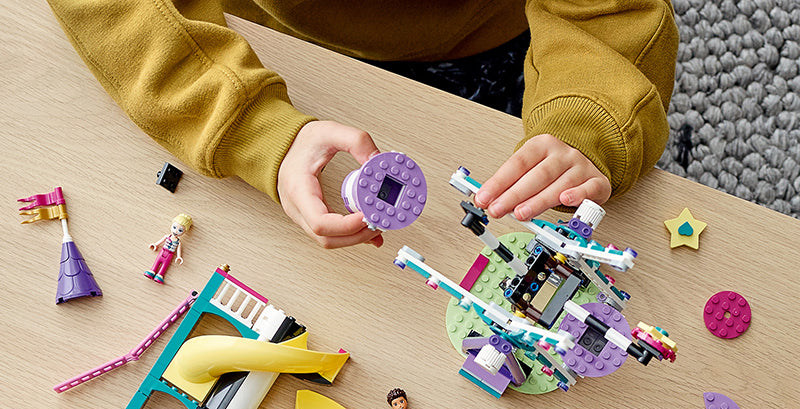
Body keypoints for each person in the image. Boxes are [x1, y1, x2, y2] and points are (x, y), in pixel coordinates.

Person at [46, 1, 678, 249]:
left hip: (499, 38)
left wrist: (587, 118)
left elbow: (611, 13)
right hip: (273, 43)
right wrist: (250, 125)